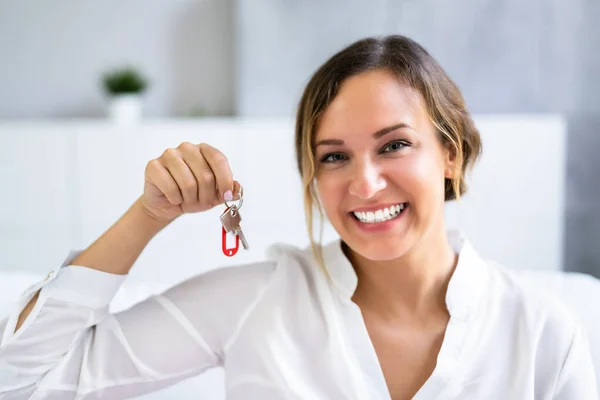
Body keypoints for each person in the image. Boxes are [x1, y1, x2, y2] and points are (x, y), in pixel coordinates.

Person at [0, 35, 597, 400]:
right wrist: (147, 216)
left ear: (451, 152)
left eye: (394, 145)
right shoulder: (256, 302)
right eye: (334, 156)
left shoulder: (543, 332)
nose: (364, 182)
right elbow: (22, 383)